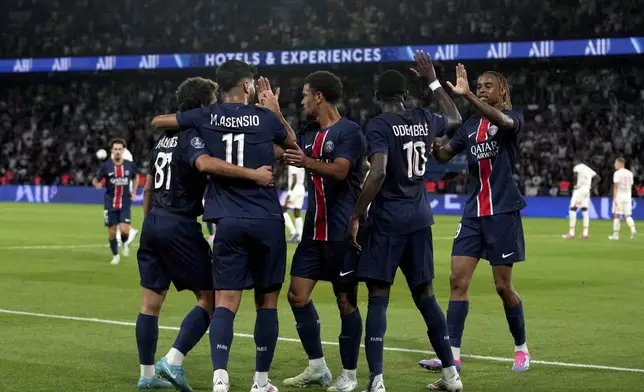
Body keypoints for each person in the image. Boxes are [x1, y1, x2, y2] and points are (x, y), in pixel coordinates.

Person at [151, 60, 298, 392]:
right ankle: (260, 383)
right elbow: (292, 144)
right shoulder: (264, 117)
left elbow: (159, 121)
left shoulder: (208, 115)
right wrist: (274, 109)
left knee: (225, 302)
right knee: (267, 302)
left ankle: (220, 380)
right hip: (266, 219)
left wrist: (194, 128)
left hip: (227, 221)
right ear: (247, 87)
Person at [349, 50, 463, 392]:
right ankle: (451, 375)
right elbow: (455, 118)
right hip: (419, 218)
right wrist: (431, 80)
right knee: (426, 296)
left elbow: (379, 170)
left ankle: (377, 380)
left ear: (378, 96)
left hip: (388, 222)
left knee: (378, 298)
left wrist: (356, 214)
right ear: (404, 95)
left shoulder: (378, 125)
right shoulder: (423, 118)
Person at [419, 64, 531, 373]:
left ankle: (521, 348)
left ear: (502, 91)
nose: (481, 88)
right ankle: (452, 354)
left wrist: (467, 94)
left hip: (503, 212)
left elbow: (504, 122)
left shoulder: (514, 118)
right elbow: (445, 154)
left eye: (486, 86)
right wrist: (435, 147)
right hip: (473, 213)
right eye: (478, 85)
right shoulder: (470, 125)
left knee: (502, 286)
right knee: (457, 281)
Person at [279, 71, 366, 392]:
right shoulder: (308, 132)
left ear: (319, 96)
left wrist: (307, 162)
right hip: (313, 234)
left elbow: (341, 171)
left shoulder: (350, 132)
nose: (301, 101)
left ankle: (350, 375)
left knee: (346, 302)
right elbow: (287, 145)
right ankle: (317, 366)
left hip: (342, 233)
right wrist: (271, 112)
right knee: (297, 296)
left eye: (305, 95)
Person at [92, 139, 139, 265]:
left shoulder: (129, 165)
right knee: (112, 232)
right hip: (110, 203)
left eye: (120, 149)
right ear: (112, 151)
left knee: (124, 230)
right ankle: (116, 256)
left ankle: (124, 242)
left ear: (123, 150)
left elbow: (136, 177)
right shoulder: (106, 166)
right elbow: (96, 180)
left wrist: (134, 192)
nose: (117, 151)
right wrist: (97, 184)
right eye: (115, 149)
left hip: (125, 203)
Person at [562, 160, 598, 239]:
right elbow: (598, 178)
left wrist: (575, 185)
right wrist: (591, 186)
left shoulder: (577, 167)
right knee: (585, 210)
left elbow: (575, 175)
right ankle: (585, 233)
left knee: (572, 209)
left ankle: (571, 233)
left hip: (579, 190)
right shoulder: (588, 169)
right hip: (587, 190)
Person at [114, 146, 140, 247]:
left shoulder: (126, 154)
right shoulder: (120, 152)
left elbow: (128, 170)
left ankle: (130, 230)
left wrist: (133, 191)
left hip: (123, 185)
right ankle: (119, 236)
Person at [609, 157, 637, 240]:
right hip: (628, 196)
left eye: (615, 163)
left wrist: (615, 197)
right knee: (627, 215)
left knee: (616, 215)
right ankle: (633, 229)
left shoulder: (617, 173)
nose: (614, 165)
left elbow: (616, 186)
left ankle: (616, 235)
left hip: (619, 196)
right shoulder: (630, 173)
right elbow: (631, 186)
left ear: (620, 164)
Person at [282, 164, 306, 243]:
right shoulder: (300, 163)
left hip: (294, 190)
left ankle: (293, 232)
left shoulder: (292, 164)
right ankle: (300, 236)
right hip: (301, 188)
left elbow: (294, 178)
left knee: (282, 210)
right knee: (297, 212)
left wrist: (290, 192)